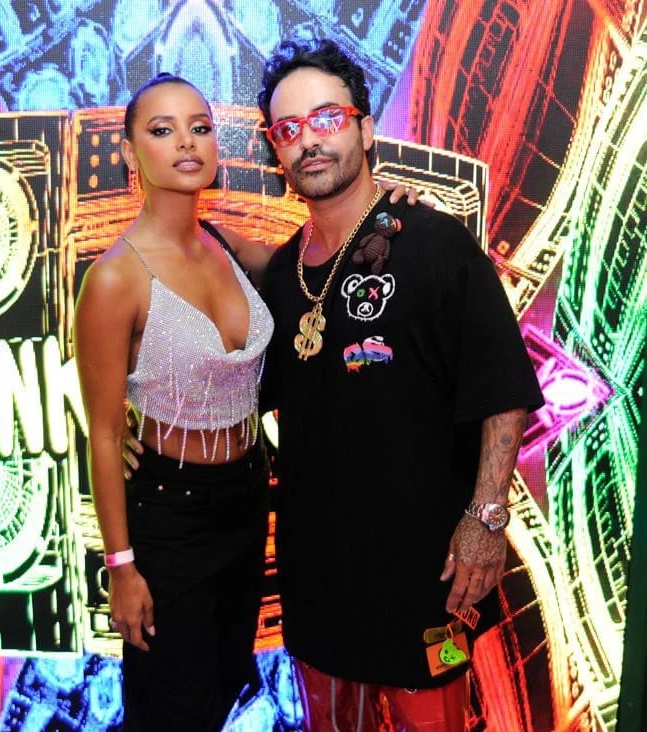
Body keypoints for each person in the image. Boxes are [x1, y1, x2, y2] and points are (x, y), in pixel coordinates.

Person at [76, 71, 418, 731]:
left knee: (221, 688)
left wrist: (384, 207)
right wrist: (121, 567)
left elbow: (320, 262)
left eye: (200, 127)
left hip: (247, 499)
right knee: (171, 707)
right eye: (162, 129)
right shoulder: (115, 277)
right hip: (170, 513)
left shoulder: (225, 246)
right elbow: (104, 434)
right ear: (128, 152)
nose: (186, 142)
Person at [255, 39, 544, 731]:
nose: (309, 141)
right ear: (276, 151)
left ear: (364, 129)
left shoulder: (435, 243)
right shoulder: (282, 275)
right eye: (288, 129)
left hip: (426, 577)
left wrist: (486, 519)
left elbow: (502, 391)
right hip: (318, 577)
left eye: (327, 118)